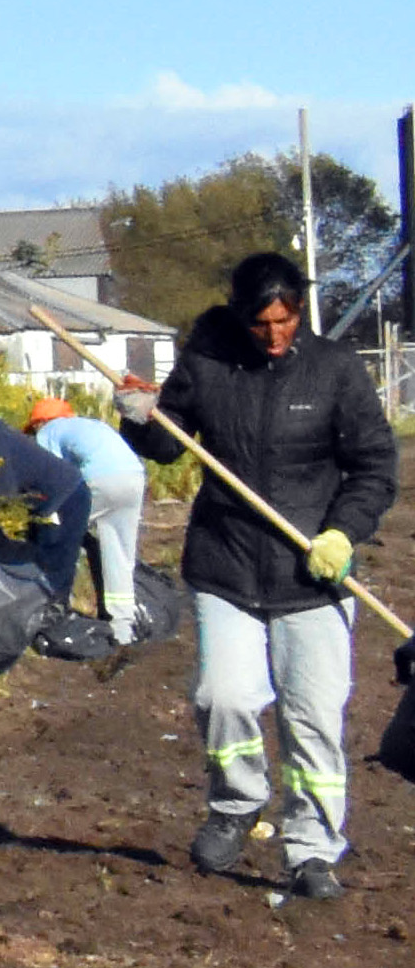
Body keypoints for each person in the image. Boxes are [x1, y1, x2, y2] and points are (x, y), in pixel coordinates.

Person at [121, 254, 397, 899]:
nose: (275, 334)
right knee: (226, 697)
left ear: (300, 308)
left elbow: (375, 466)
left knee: (313, 720)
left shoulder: (334, 370)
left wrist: (343, 533)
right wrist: (140, 416)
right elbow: (170, 443)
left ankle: (312, 849)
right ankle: (236, 803)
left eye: (286, 319)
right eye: (261, 322)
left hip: (314, 575)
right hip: (226, 563)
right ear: (240, 314)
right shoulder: (209, 362)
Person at [0, 392, 118, 660]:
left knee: (56, 561)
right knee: (40, 558)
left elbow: (4, 498)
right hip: (48, 501)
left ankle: (52, 626)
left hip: (64, 499)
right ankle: (41, 618)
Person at [30, 394, 153, 644]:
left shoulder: (48, 431)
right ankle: (123, 629)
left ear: (38, 423)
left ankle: (52, 607)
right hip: (133, 477)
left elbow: (52, 476)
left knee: (59, 534)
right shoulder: (92, 425)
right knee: (120, 553)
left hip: (99, 479)